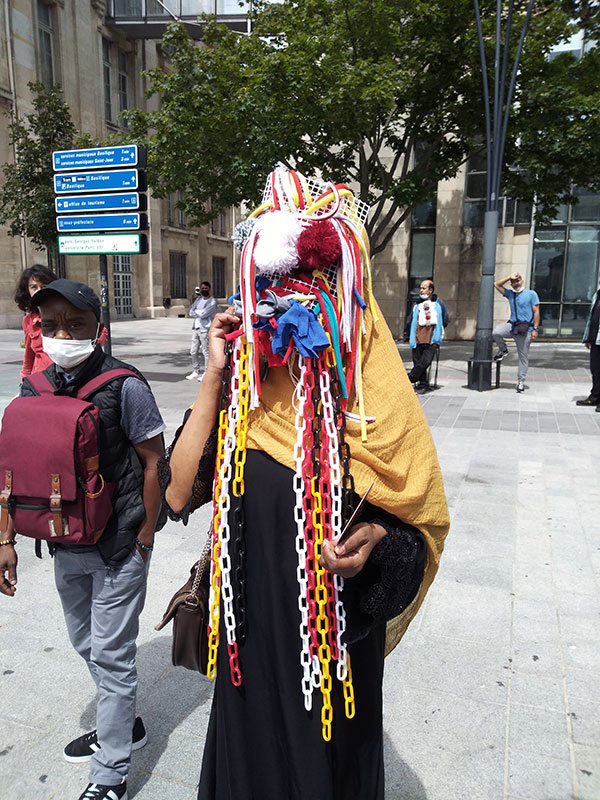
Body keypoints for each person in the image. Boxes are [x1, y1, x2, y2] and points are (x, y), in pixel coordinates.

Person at [159, 169, 449, 800]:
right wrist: (212, 377)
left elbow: (419, 528)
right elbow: (176, 495)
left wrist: (374, 538)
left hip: (331, 661)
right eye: (271, 284)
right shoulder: (241, 391)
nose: (287, 300)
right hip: (251, 648)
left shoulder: (372, 394)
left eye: (310, 283)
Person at [0, 279, 165, 800]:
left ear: (99, 329)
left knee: (113, 657)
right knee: (85, 643)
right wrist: (6, 540)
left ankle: (110, 772)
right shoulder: (35, 387)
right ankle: (125, 723)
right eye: (50, 326)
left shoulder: (126, 385)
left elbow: (154, 462)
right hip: (64, 542)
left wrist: (144, 537)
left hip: (118, 546)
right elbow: (13, 471)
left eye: (74, 325)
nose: (62, 335)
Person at [492, 272, 540, 393]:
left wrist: (535, 329)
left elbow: (536, 312)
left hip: (526, 329)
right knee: (496, 332)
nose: (515, 284)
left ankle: (521, 381)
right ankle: (503, 350)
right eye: (513, 282)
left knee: (523, 356)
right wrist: (509, 277)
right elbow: (496, 284)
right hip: (513, 326)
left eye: (517, 281)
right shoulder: (510, 294)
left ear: (522, 281)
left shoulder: (531, 294)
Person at [14, 264, 58, 380]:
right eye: (34, 287)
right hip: (39, 380)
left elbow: (100, 334)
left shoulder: (65, 314)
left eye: (43, 286)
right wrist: (25, 378)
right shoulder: (28, 321)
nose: (39, 291)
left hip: (64, 380)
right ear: (27, 291)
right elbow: (29, 354)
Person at [407, 279, 444, 394]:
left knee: (425, 362)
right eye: (421, 288)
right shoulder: (416, 305)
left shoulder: (438, 304)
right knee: (418, 362)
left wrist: (437, 337)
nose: (421, 290)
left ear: (430, 290)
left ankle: (411, 378)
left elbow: (445, 320)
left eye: (424, 288)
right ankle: (422, 384)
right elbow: (410, 321)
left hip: (431, 339)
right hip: (417, 338)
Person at [186, 281, 218, 381]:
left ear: (209, 289)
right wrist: (198, 312)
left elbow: (204, 314)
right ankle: (196, 371)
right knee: (193, 351)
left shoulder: (212, 302)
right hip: (196, 328)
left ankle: (206, 373)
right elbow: (191, 311)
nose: (204, 290)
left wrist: (197, 312)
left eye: (206, 288)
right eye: (202, 288)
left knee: (206, 352)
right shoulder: (199, 299)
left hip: (205, 329)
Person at [576, 286, 600, 409]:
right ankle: (595, 397)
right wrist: (588, 337)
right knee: (595, 370)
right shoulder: (597, 295)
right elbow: (592, 318)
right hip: (595, 339)